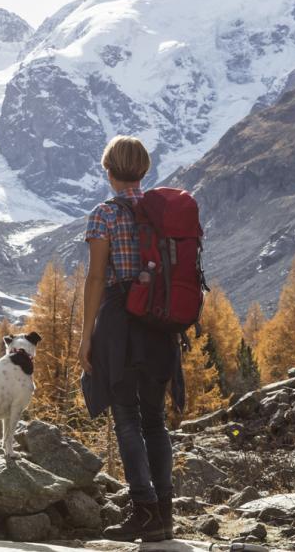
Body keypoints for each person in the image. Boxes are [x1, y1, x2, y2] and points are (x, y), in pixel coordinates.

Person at [79, 135, 184, 542]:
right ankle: (164, 515)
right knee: (155, 420)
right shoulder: (163, 212)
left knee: (126, 417)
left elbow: (95, 279)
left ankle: (142, 510)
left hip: (121, 325)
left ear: (108, 171)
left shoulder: (104, 214)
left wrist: (86, 337)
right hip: (160, 324)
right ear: (143, 170)